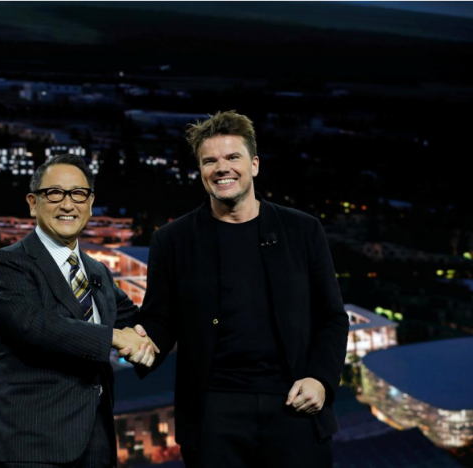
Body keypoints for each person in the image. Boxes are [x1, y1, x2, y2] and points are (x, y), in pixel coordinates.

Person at [127, 111, 349, 467]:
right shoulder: (172, 240)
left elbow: (332, 318)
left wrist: (321, 380)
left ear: (254, 165)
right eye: (209, 160)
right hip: (213, 410)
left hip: (294, 402)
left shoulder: (302, 230)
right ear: (200, 171)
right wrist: (143, 340)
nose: (221, 168)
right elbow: (160, 319)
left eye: (233, 157)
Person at [0, 154, 158, 468]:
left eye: (78, 194)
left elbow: (137, 323)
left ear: (90, 204)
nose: (68, 204)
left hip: (96, 441)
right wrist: (116, 338)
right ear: (33, 203)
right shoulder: (9, 263)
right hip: (34, 444)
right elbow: (35, 325)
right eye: (55, 193)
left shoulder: (99, 271)